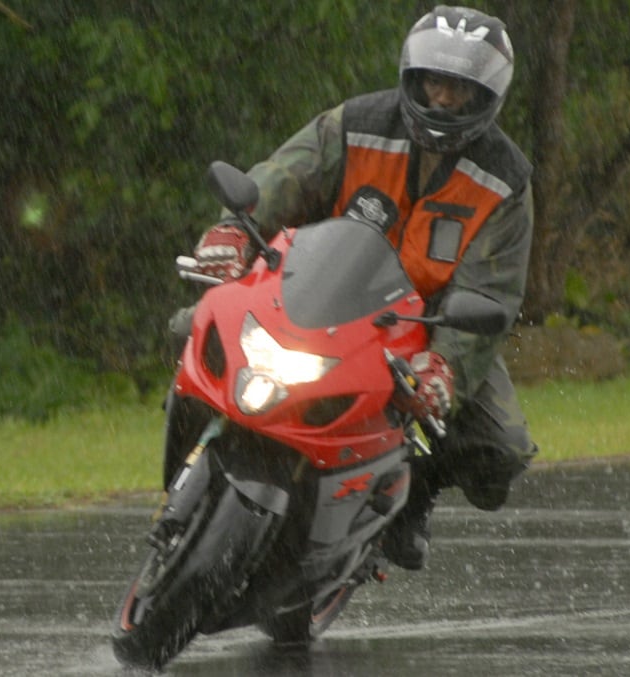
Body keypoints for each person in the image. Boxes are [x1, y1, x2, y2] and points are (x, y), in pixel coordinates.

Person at [181, 5, 537, 571]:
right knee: (188, 327)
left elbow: (492, 291)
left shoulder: (505, 181)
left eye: (459, 90)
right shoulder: (355, 123)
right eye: (434, 82)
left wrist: (446, 367)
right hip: (318, 293)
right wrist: (233, 231)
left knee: (501, 451)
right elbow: (284, 175)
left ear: (487, 98)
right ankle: (192, 463)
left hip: (432, 326)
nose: (442, 100)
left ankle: (412, 496)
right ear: (412, 76)